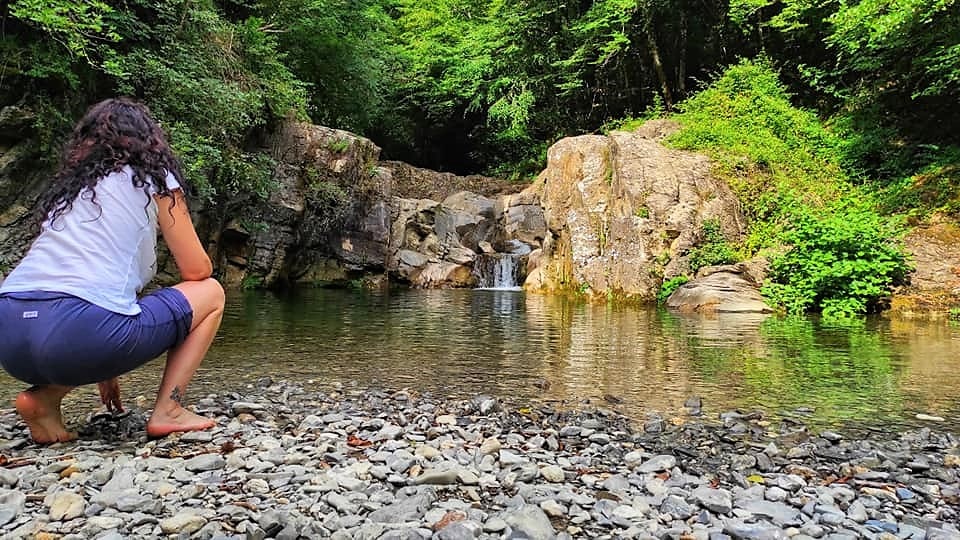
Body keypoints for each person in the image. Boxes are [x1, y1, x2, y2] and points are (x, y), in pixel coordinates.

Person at [0, 98, 224, 443]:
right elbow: (196, 269)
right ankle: (170, 409)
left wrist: (104, 363)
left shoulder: (70, 188)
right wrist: (102, 350)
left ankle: (43, 399)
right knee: (211, 292)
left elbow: (85, 289)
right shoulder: (155, 178)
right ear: (150, 141)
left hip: (10, 332)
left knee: (84, 325)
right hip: (80, 327)